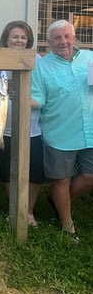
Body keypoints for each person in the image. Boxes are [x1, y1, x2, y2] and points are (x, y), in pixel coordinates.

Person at [31, 19, 93, 242]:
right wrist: (20, 100)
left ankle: (57, 201)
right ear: (49, 42)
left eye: (67, 36)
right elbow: (38, 98)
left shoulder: (89, 58)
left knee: (89, 176)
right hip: (60, 133)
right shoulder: (42, 66)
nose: (63, 41)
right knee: (61, 180)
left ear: (74, 38)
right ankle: (68, 225)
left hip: (90, 131)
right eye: (57, 38)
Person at [0, 20, 44, 227]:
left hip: (31, 128)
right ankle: (14, 206)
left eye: (23, 37)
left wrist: (24, 95)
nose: (19, 40)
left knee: (36, 172)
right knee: (7, 171)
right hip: (3, 128)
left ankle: (29, 210)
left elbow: (43, 93)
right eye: (15, 36)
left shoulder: (38, 60)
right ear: (6, 40)